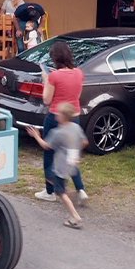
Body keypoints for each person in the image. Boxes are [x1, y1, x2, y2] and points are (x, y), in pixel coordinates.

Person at [36, 40, 89, 203]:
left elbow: (47, 100)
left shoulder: (54, 76)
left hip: (55, 117)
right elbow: (77, 95)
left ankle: (50, 191)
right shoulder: (79, 73)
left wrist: (45, 80)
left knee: (49, 154)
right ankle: (80, 189)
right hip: (74, 116)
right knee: (71, 154)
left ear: (55, 58)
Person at [26, 102, 87, 229]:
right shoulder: (76, 127)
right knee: (51, 177)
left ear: (63, 116)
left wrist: (36, 136)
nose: (56, 115)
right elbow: (84, 142)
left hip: (60, 167)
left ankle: (75, 217)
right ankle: (67, 189)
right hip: (71, 163)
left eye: (58, 114)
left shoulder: (57, 132)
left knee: (60, 192)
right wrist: (75, 151)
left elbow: (46, 146)